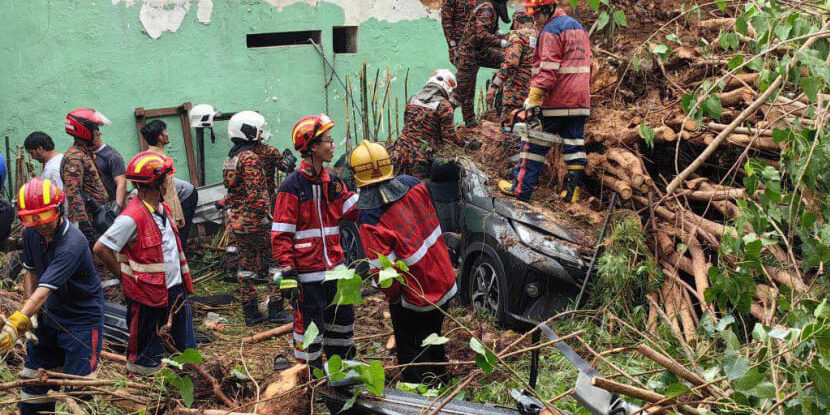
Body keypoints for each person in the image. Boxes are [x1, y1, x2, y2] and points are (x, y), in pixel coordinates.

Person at [350, 141, 455, 385]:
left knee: (412, 356)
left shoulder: (370, 218)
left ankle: (420, 399)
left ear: (357, 176)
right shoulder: (414, 185)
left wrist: (395, 298)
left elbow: (383, 274)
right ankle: (442, 385)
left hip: (416, 296)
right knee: (434, 339)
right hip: (444, 279)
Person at [0, 178, 103, 415]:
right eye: (30, 218)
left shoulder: (72, 243)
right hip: (49, 315)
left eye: (44, 215)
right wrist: (30, 311)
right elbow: (31, 272)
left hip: (81, 322)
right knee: (34, 382)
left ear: (59, 209)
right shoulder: (31, 234)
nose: (38, 224)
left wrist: (16, 323)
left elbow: (43, 292)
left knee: (80, 388)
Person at [93, 151, 196, 376]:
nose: (169, 184)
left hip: (174, 290)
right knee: (146, 353)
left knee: (184, 346)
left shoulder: (163, 210)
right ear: (157, 184)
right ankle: (145, 390)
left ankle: (187, 381)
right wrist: (125, 277)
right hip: (146, 294)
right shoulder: (131, 217)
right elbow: (101, 248)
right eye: (166, 179)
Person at [271, 114, 359, 368]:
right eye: (328, 142)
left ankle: (341, 378)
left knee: (342, 328)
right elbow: (281, 234)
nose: (333, 146)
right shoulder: (292, 187)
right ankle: (309, 382)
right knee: (310, 332)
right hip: (308, 277)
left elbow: (355, 211)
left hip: (336, 272)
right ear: (312, 147)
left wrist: (365, 185)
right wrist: (288, 273)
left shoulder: (333, 182)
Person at [499, 0, 592, 202]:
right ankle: (572, 193)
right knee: (574, 145)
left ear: (548, 9)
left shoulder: (551, 31)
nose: (534, 19)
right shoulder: (579, 28)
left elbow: (548, 71)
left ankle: (520, 189)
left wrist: (533, 99)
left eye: (536, 14)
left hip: (558, 100)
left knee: (533, 142)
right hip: (581, 101)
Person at [222, 111, 292, 326]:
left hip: (237, 223)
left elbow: (234, 194)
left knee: (245, 269)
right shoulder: (250, 158)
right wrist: (266, 219)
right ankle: (276, 309)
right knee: (276, 264)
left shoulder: (231, 158)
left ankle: (251, 313)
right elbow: (258, 196)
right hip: (256, 224)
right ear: (250, 130)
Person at [390, 70, 481, 179]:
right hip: (420, 157)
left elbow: (407, 127)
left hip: (398, 151)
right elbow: (450, 137)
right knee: (419, 192)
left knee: (396, 189)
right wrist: (467, 144)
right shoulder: (444, 106)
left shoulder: (412, 99)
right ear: (446, 87)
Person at [487, 9, 539, 149]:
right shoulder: (542, 36)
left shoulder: (517, 35)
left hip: (516, 93)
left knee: (510, 130)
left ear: (516, 22)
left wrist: (494, 86)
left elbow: (511, 63)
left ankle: (513, 165)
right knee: (531, 131)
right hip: (536, 94)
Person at [455, 0, 510, 127]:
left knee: (509, 60)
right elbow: (482, 35)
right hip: (468, 55)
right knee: (463, 91)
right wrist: (503, 43)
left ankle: (500, 100)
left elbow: (493, 30)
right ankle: (468, 123)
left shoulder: (491, 10)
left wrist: (509, 38)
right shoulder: (487, 10)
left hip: (482, 52)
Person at [60, 108, 112, 243]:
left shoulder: (84, 153)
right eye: (96, 129)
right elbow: (73, 191)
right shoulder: (75, 157)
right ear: (85, 131)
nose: (99, 133)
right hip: (90, 222)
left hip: (97, 217)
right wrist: (84, 224)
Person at [141, 120, 185, 228]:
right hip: (164, 214)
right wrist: (176, 216)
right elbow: (169, 192)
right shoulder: (161, 160)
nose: (167, 134)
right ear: (160, 137)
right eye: (165, 131)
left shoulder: (146, 156)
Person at [92, 128, 127, 209]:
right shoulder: (85, 155)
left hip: (110, 206)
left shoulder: (112, 155)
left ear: (98, 134)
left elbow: (121, 183)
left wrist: (116, 208)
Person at [441, 0, 478, 65]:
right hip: (459, 42)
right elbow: (446, 21)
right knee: (464, 69)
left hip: (475, 41)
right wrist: (452, 44)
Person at [174, 178, 198, 252]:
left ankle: (181, 254)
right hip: (179, 196)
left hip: (188, 195)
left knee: (182, 228)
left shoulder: (161, 184)